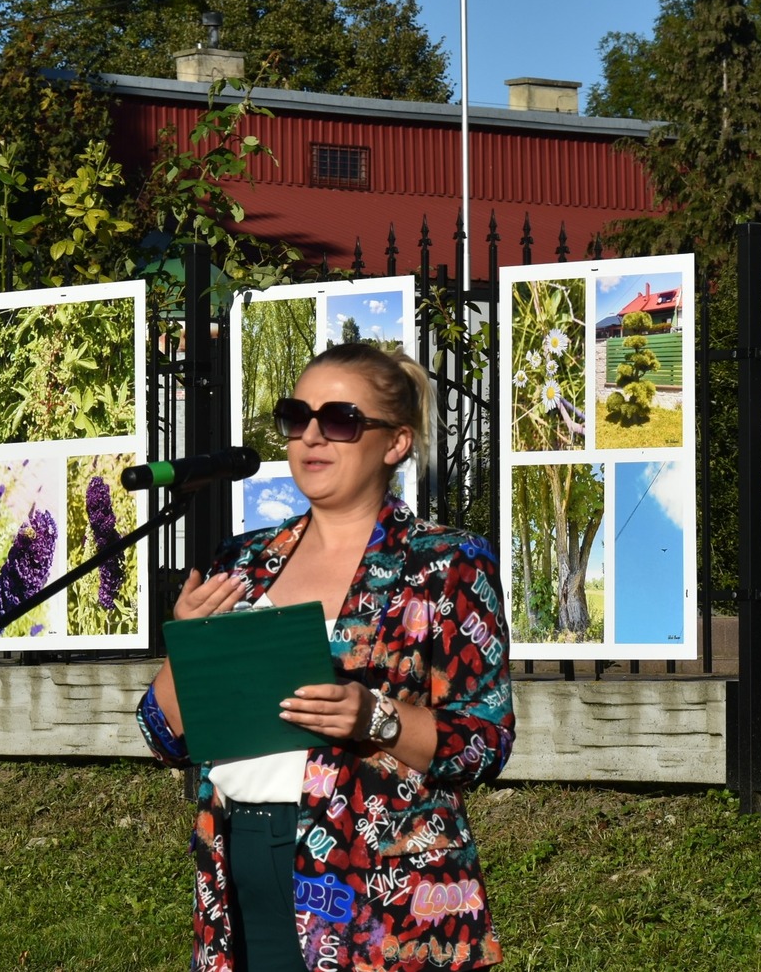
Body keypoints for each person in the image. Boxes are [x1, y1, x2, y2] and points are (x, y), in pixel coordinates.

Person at [139, 343, 513, 971]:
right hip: (238, 859)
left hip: (378, 880)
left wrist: (376, 718)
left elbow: (486, 742)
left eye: (339, 419)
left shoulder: (445, 563)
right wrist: (187, 649)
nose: (312, 435)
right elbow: (164, 738)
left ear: (394, 443)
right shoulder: (244, 562)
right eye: (296, 417)